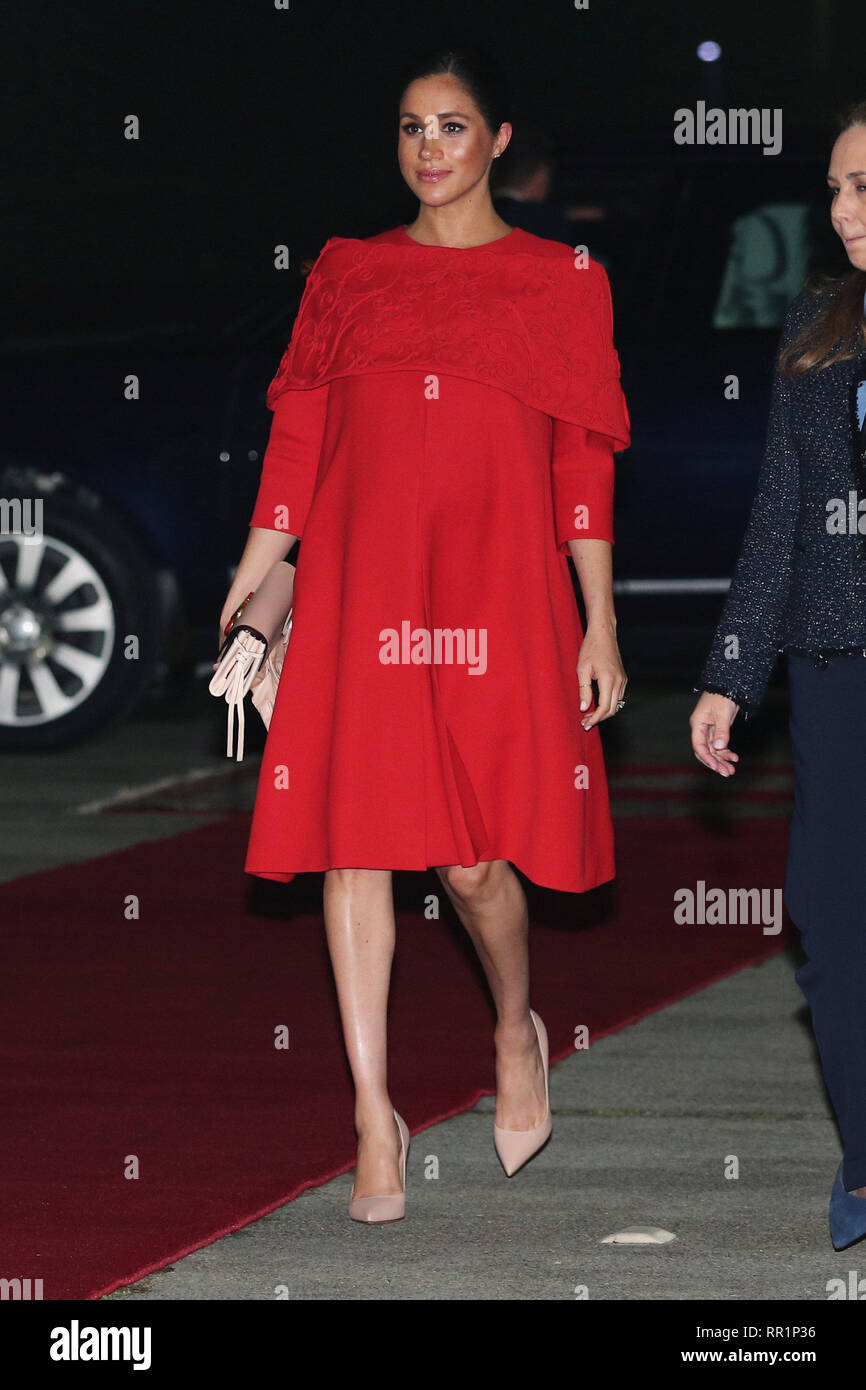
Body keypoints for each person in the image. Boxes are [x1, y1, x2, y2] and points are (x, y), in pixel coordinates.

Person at [220, 46, 631, 1224]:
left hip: (498, 598)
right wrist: (254, 582)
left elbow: (579, 466)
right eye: (410, 127)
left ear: (497, 140)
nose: (428, 148)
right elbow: (298, 447)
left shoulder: (560, 279)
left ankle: (514, 1025)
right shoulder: (348, 272)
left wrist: (596, 619)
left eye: (451, 126)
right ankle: (371, 1114)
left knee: (471, 862)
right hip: (360, 591)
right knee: (355, 844)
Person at [691, 98, 866, 1250]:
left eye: (865, 187)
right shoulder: (814, 326)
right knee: (828, 912)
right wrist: (729, 672)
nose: (844, 211)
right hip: (831, 668)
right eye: (839, 189)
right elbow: (776, 519)